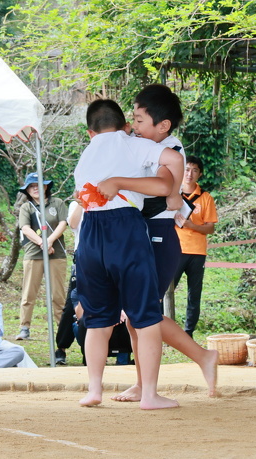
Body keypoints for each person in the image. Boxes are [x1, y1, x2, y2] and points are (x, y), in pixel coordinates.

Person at [109, 86, 219, 402]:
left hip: (160, 236)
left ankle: (201, 357)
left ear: (163, 125)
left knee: (143, 314)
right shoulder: (143, 145)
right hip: (143, 234)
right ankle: (143, 384)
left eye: (139, 120)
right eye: (133, 119)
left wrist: (120, 183)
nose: (134, 126)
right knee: (135, 315)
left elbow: (162, 185)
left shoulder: (170, 149)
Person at [73, 98, 184, 410]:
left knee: (97, 318)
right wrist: (174, 194)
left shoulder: (86, 154)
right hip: (126, 229)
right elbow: (175, 160)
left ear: (90, 132)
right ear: (123, 126)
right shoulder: (132, 143)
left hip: (89, 232)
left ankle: (94, 390)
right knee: (145, 317)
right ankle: (149, 395)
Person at [16, 172, 69, 342]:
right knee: (29, 292)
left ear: (45, 186)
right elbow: (25, 228)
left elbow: (63, 223)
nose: (35, 188)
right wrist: (42, 243)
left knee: (58, 294)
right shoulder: (27, 207)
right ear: (27, 190)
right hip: (33, 253)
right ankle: (24, 327)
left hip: (56, 253)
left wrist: (50, 241)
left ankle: (62, 329)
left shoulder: (57, 203)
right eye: (31, 186)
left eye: (38, 185)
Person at [173, 155, 218, 337]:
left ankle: (188, 332)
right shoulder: (172, 193)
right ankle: (162, 328)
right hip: (175, 250)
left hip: (197, 252)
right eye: (186, 169)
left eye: (194, 170)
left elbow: (210, 228)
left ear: (200, 174)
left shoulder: (206, 198)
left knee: (194, 294)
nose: (189, 174)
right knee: (166, 291)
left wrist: (191, 225)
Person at [53, 201, 84, 365]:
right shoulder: (76, 204)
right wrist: (82, 201)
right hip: (83, 257)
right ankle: (61, 347)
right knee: (72, 305)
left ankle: (92, 349)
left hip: (107, 255)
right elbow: (73, 223)